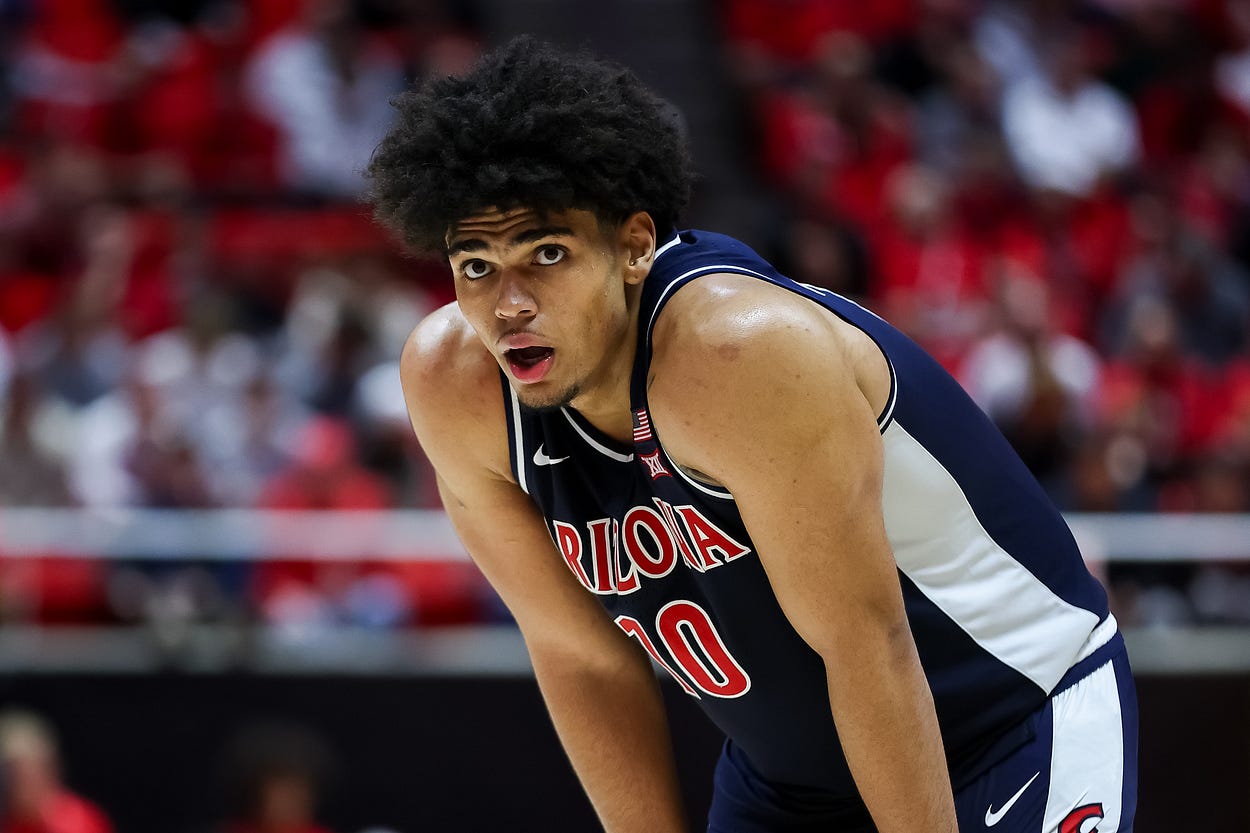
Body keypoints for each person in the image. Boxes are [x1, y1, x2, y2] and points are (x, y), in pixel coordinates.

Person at [366, 37, 1137, 833]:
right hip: (790, 783)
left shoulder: (736, 354)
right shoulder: (454, 382)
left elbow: (866, 644)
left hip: (1009, 716)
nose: (509, 305)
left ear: (633, 246)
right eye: (477, 265)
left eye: (547, 253)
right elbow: (581, 656)